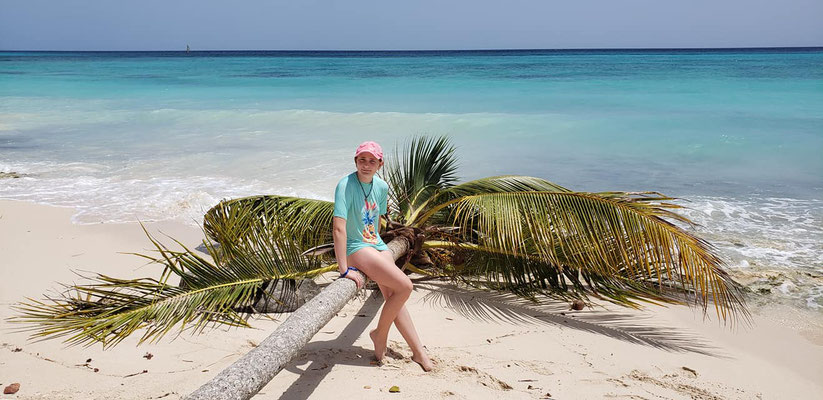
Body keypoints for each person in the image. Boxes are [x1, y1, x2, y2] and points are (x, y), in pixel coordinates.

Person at [332, 141, 434, 372]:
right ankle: (380, 334)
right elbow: (339, 228)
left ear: (380, 163)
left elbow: (377, 220)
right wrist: (344, 270)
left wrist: (378, 245)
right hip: (355, 248)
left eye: (371, 161)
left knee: (393, 294)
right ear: (355, 161)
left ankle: (418, 352)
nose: (366, 165)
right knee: (405, 286)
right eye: (361, 160)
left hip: (374, 244)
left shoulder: (381, 186)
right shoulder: (345, 185)